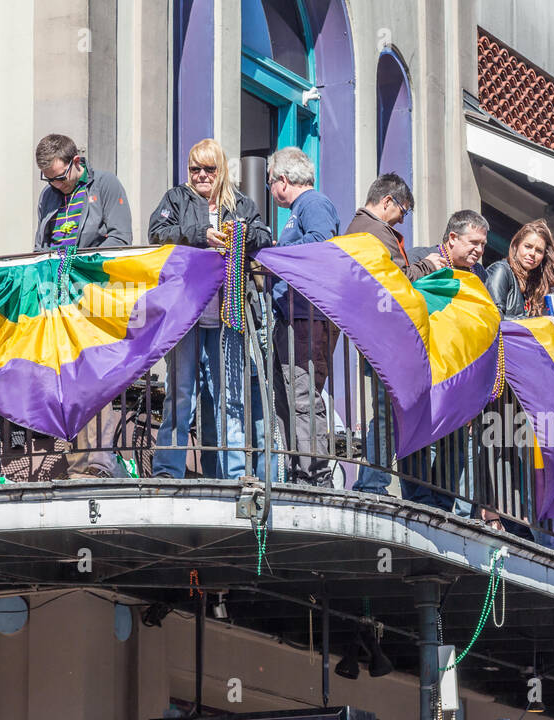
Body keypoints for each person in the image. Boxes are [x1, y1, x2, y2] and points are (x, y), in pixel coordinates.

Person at [148, 138, 273, 479]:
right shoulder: (176, 198)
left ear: (220, 171)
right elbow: (157, 234)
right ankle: (168, 470)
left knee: (230, 397)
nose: (201, 175)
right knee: (180, 393)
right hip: (185, 313)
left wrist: (243, 234)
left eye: (209, 169)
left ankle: (233, 474)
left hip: (228, 313)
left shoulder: (241, 203)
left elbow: (264, 235)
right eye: (195, 169)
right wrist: (199, 234)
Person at [33, 133, 134, 479]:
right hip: (59, 301)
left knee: (97, 380)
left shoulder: (106, 185)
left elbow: (121, 239)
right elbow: (40, 244)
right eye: (49, 179)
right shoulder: (49, 196)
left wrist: (80, 261)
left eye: (60, 177)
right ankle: (77, 463)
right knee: (70, 382)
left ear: (77, 162)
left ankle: (101, 462)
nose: (55, 185)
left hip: (94, 299)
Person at [401, 210, 492, 512]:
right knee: (417, 436)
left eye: (483, 244)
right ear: (452, 238)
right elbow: (397, 294)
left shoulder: (479, 276)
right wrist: (423, 271)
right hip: (421, 367)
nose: (479, 250)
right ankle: (419, 500)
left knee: (452, 442)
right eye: (473, 242)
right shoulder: (419, 258)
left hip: (458, 373)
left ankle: (442, 503)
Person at [266, 146, 341, 487]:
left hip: (305, 317)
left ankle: (315, 474)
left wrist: (272, 254)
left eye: (270, 182)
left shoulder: (314, 204)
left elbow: (321, 241)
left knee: (302, 396)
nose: (271, 189)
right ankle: (300, 471)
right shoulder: (302, 208)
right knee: (289, 398)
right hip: (293, 317)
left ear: (283, 180)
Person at [349, 174, 421, 496]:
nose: (402, 220)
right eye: (403, 212)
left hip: (373, 335)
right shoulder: (377, 232)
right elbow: (399, 280)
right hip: (385, 337)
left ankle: (372, 480)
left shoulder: (357, 226)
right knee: (387, 412)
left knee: (386, 411)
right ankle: (373, 482)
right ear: (387, 201)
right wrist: (428, 265)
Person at [484, 219, 554, 318]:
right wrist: (537, 322)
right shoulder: (501, 271)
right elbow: (493, 317)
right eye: (528, 246)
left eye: (539, 251)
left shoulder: (535, 282)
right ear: (516, 246)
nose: (532, 253)